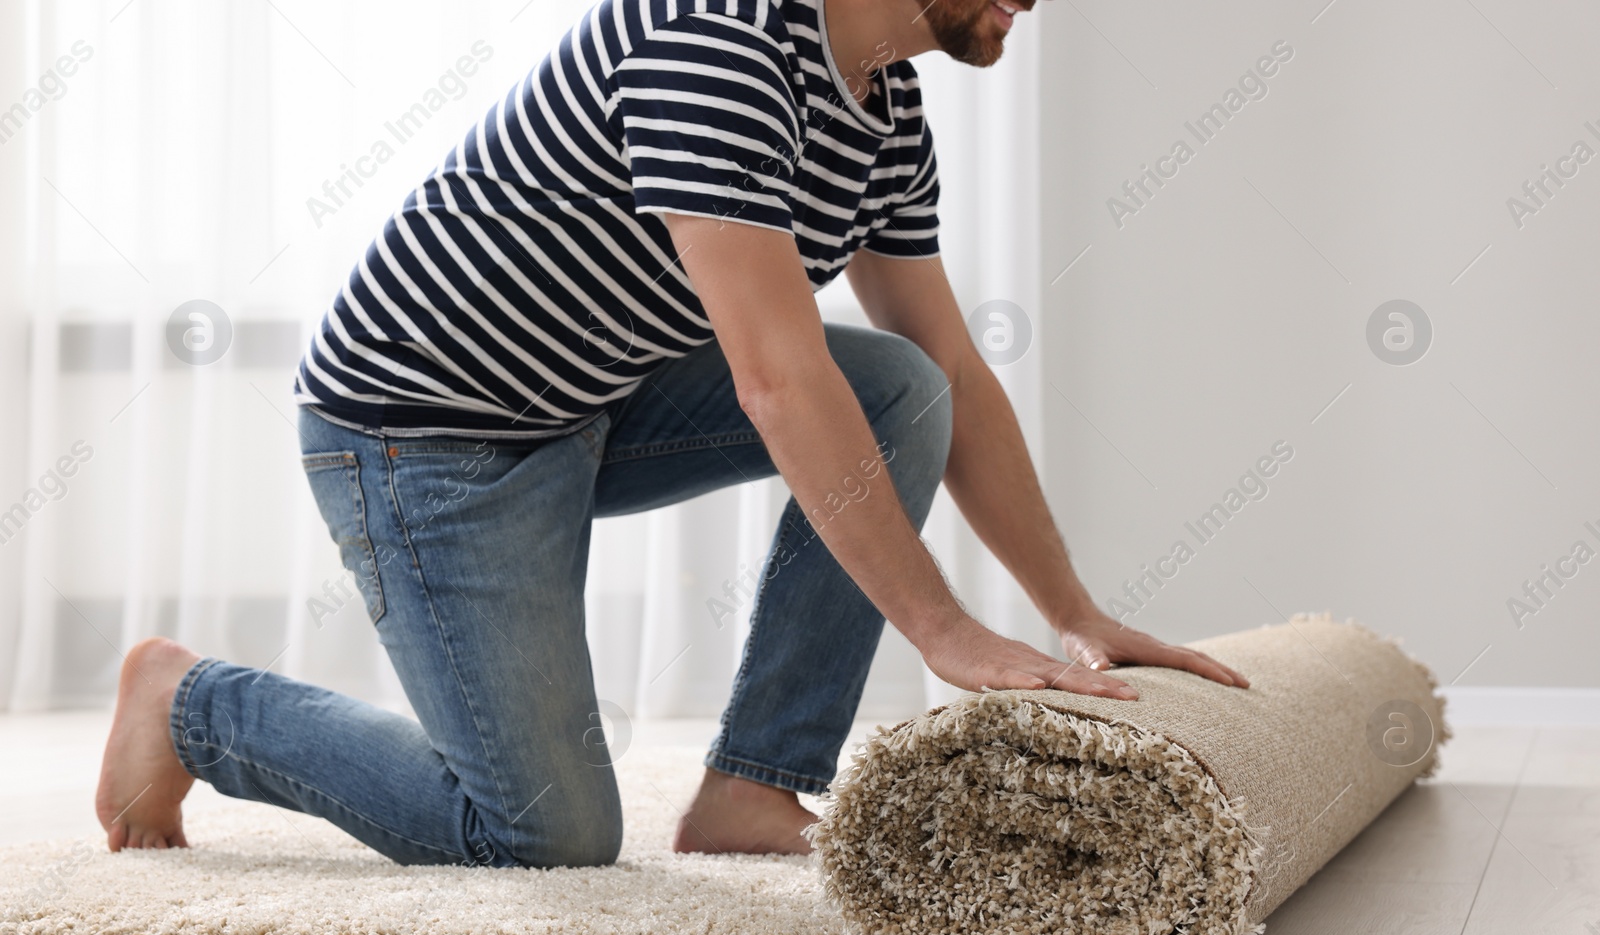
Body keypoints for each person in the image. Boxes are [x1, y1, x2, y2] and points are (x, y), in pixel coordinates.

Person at [96, 0, 1248, 866]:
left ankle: (751, 786)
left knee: (900, 383)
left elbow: (948, 364)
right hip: (424, 432)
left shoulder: (882, 105)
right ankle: (189, 701)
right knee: (539, 836)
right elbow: (777, 380)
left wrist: (1074, 613)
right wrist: (939, 626)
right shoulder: (718, 40)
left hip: (590, 399)